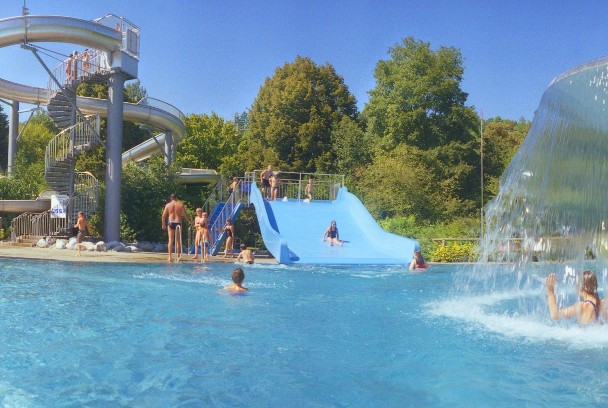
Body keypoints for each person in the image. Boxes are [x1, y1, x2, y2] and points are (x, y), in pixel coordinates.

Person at [161, 193, 192, 262]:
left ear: (171, 198)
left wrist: (163, 224)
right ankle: (178, 256)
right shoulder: (180, 204)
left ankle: (170, 257)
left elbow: (163, 216)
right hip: (178, 222)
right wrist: (189, 221)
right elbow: (185, 215)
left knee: (170, 240)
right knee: (178, 240)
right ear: (176, 198)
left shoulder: (168, 205)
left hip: (171, 222)